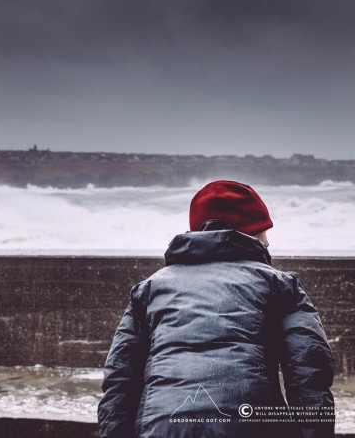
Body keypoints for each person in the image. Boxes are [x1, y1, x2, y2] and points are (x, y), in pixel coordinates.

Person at [98, 180, 334, 438]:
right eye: (264, 229)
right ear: (249, 232)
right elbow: (309, 378)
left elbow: (120, 383)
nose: (268, 239)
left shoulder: (150, 289)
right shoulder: (280, 286)